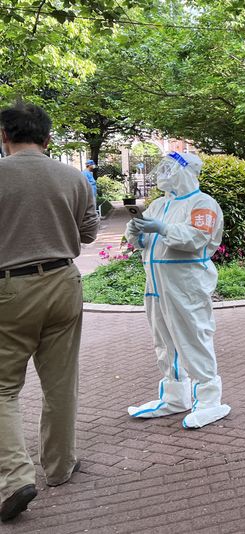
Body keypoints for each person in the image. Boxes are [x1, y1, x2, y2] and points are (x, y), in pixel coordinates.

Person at [0, 102, 98, 522]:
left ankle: (14, 476)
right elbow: (90, 232)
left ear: (5, 136)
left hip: (9, 288)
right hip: (64, 282)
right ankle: (59, 468)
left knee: (2, 388)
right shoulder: (74, 176)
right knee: (60, 382)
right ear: (48, 138)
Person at [125, 151, 231, 429]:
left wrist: (161, 227)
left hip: (186, 285)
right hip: (157, 284)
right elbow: (144, 242)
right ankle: (174, 396)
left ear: (186, 171)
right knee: (164, 340)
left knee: (193, 339)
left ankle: (208, 398)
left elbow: (197, 238)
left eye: (170, 168)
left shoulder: (202, 203)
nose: (164, 174)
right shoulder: (159, 204)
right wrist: (136, 232)